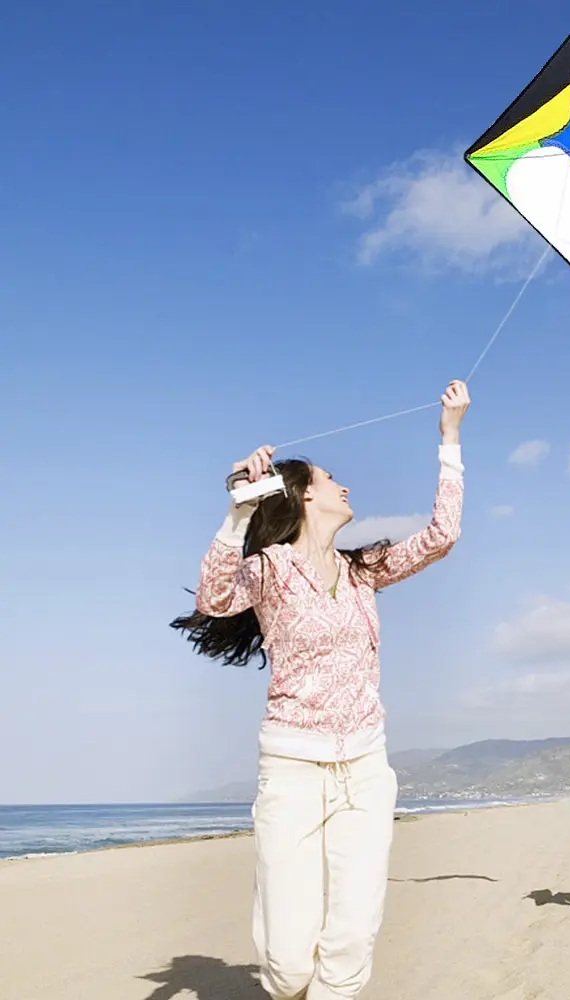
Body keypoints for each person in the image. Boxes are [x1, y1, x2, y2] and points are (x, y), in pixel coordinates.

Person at [170, 380, 470, 999]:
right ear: (306, 494)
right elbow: (214, 597)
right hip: (292, 769)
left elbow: (441, 535)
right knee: (286, 964)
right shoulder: (272, 569)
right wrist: (240, 512)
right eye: (335, 479)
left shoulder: (364, 571)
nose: (347, 487)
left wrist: (450, 436)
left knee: (353, 937)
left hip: (364, 763)